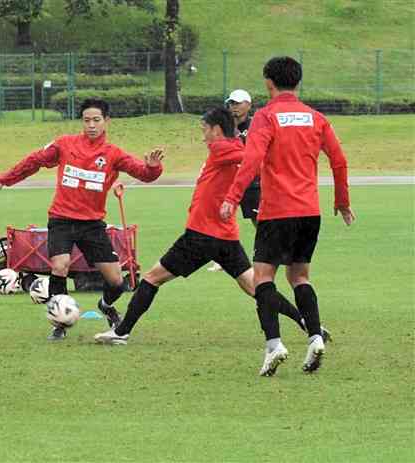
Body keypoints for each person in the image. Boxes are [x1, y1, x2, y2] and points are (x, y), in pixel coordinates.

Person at [94, 108, 317, 346]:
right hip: (225, 236)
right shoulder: (230, 148)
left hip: (201, 235)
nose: (203, 136)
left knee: (151, 278)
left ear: (216, 130)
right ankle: (305, 321)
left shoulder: (221, 148)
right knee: (257, 287)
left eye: (204, 130)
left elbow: (249, 156)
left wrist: (258, 148)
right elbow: (249, 156)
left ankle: (121, 332)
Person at [219, 56, 355, 376]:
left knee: (263, 278)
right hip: (309, 211)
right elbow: (339, 160)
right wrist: (342, 201)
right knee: (299, 277)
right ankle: (315, 337)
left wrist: (231, 198)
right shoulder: (316, 118)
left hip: (277, 211)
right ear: (298, 82)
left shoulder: (266, 117)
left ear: (269, 83)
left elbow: (250, 161)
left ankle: (274, 345)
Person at [0, 98, 165, 341]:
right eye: (86, 120)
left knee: (116, 281)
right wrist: (4, 180)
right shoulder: (64, 144)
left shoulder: (113, 154)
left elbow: (144, 173)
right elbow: (34, 161)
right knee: (60, 266)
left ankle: (106, 305)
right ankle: (59, 323)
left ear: (106, 121)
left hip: (92, 225)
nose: (91, 125)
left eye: (96, 120)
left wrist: (153, 168)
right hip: (61, 219)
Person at [208, 89, 256, 272]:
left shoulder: (255, 126)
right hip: (229, 181)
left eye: (237, 103)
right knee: (222, 218)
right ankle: (222, 257)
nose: (233, 107)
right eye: (231, 103)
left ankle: (267, 254)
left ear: (248, 105)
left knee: (258, 219)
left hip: (252, 181)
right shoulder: (226, 127)